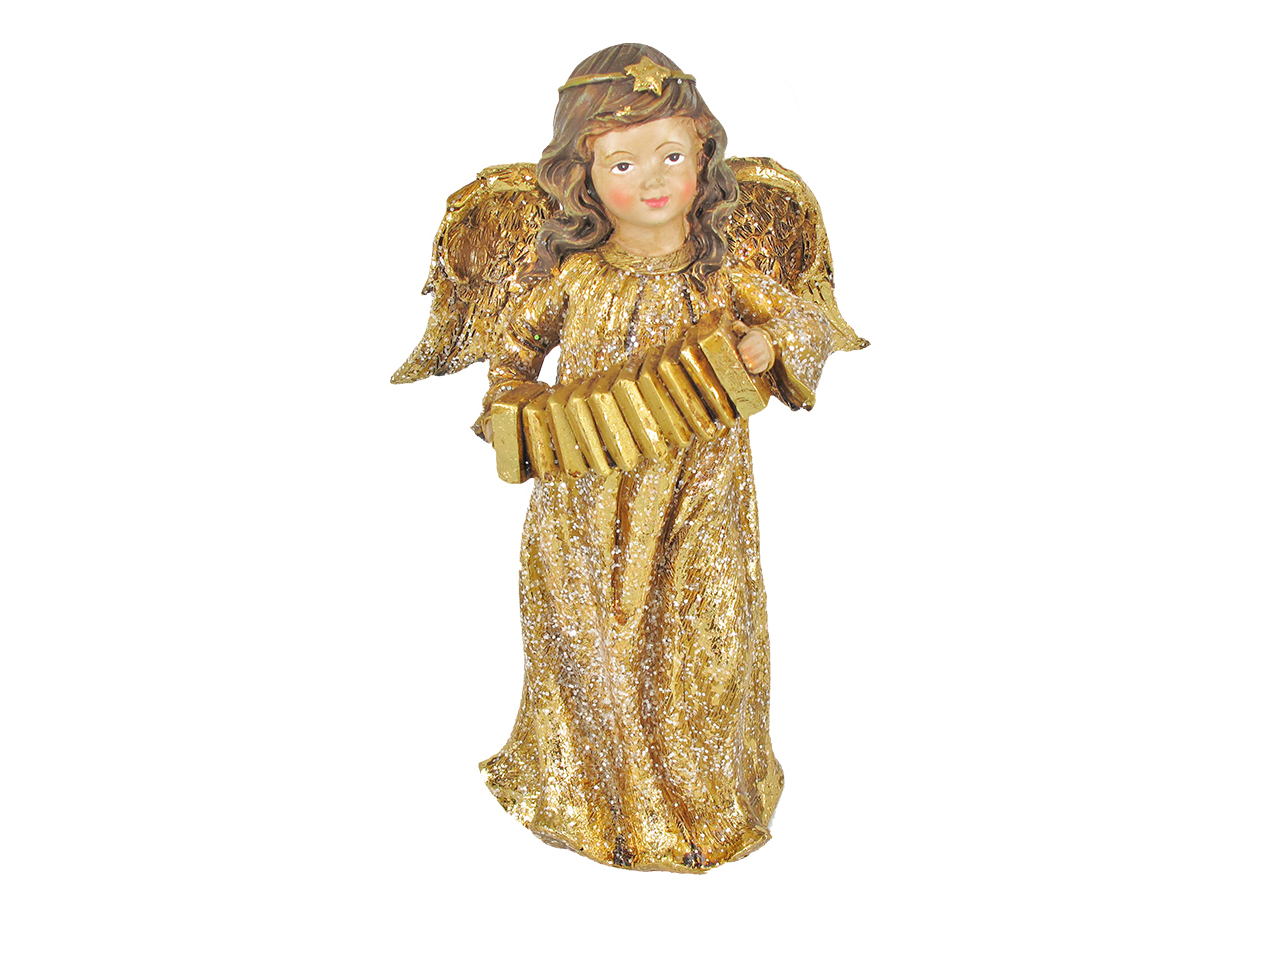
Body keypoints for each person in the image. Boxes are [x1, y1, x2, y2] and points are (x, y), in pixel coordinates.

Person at [471, 43, 845, 871]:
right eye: (623, 162)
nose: (652, 179)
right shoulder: (574, 279)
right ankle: (602, 804)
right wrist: (511, 411)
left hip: (699, 500)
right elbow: (513, 353)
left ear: (705, 157)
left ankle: (705, 803)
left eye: (672, 154)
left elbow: (809, 321)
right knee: (592, 650)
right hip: (584, 510)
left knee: (701, 647)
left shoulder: (722, 273)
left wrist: (769, 342)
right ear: (581, 175)